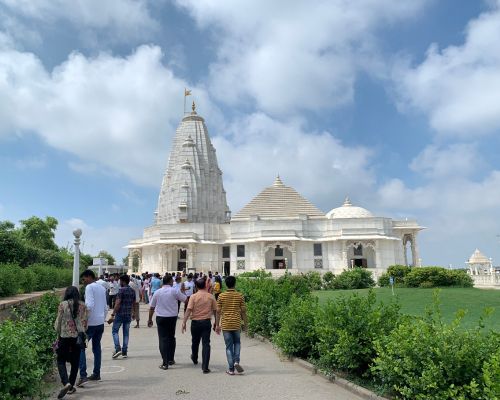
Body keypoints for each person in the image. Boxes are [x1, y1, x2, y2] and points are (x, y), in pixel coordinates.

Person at [54, 286, 88, 399]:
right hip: (77, 338)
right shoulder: (83, 305)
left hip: (64, 336)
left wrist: (57, 332)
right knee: (75, 362)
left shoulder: (63, 305)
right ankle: (71, 385)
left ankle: (66, 382)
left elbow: (58, 322)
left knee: (60, 360)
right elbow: (85, 323)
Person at [147, 275, 187, 370]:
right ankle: (170, 359)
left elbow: (152, 307)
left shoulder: (157, 292)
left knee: (162, 339)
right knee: (171, 337)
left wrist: (150, 319)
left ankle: (165, 362)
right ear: (170, 281)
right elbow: (185, 300)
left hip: (161, 317)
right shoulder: (174, 291)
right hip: (172, 317)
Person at [77, 269, 108, 387]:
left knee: (80, 347)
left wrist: (84, 321)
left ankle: (83, 375)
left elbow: (89, 305)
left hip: (90, 324)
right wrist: (102, 318)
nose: (83, 281)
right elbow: (105, 307)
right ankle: (96, 373)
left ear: (89, 277)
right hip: (100, 323)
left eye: (84, 279)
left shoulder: (89, 287)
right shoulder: (101, 288)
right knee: (96, 348)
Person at [182, 278, 217, 374]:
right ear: (205, 286)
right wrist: (217, 323)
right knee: (206, 343)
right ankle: (205, 366)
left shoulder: (193, 297)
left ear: (196, 286)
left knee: (195, 341)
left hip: (195, 323)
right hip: (206, 322)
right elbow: (215, 311)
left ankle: (194, 356)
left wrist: (184, 322)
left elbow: (188, 309)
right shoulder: (211, 297)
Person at [215, 275, 248, 376]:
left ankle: (231, 369)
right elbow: (243, 311)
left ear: (225, 284)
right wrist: (246, 324)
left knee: (229, 347)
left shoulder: (221, 296)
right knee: (237, 343)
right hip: (236, 323)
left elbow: (218, 312)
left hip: (226, 324)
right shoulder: (240, 295)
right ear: (235, 283)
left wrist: (217, 325)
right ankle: (236, 361)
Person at [108, 274, 136, 359]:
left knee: (114, 331)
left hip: (120, 314)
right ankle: (124, 352)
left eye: (120, 281)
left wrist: (113, 314)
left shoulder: (121, 290)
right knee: (126, 333)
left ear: (123, 281)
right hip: (128, 314)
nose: (119, 282)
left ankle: (117, 348)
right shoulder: (132, 291)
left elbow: (117, 303)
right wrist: (134, 313)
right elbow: (134, 303)